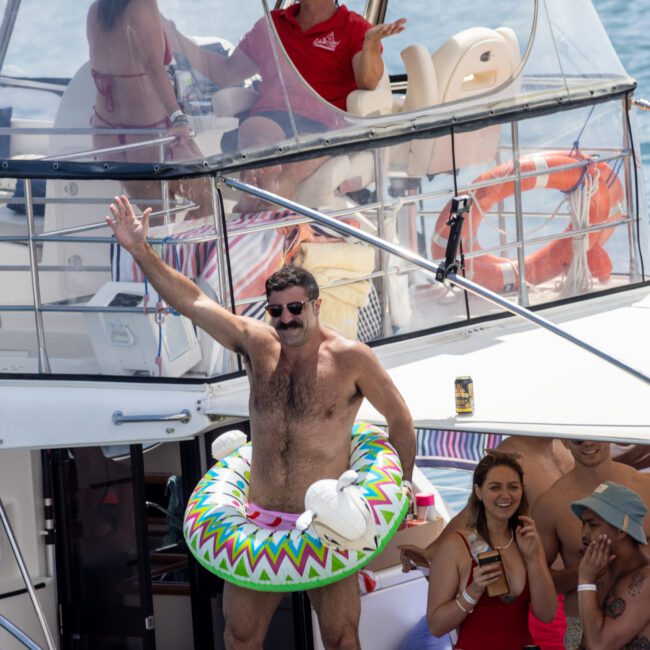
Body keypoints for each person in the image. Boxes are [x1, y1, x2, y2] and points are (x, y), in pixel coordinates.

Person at [105, 194, 416, 649]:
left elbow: (400, 422)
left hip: (325, 527)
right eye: (276, 310)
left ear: (315, 304)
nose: (286, 319)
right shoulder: (257, 345)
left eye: (295, 308)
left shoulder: (351, 359)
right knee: (241, 636)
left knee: (342, 638)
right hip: (259, 523)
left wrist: (402, 489)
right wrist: (139, 250)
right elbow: (192, 301)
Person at [165, 0, 405, 211]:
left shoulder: (355, 28)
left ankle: (257, 218)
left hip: (323, 127)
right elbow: (225, 72)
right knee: (258, 135)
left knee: (284, 174)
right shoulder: (273, 26)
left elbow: (368, 81)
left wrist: (371, 43)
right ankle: (254, 193)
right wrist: (177, 39)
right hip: (271, 117)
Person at [399, 436, 573, 650]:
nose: (505, 495)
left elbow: (546, 614)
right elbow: (436, 626)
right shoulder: (456, 546)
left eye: (513, 487)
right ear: (479, 492)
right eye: (495, 487)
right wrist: (473, 591)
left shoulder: (524, 541)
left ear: (522, 490)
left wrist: (535, 558)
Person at [87, 0, 209, 215]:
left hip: (107, 133)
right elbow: (154, 67)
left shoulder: (97, 9)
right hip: (147, 132)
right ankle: (192, 249)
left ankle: (168, 247)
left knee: (155, 214)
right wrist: (179, 118)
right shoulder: (143, 5)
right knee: (205, 201)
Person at [532, 440, 650, 650]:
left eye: (595, 435)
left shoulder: (645, 486)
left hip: (636, 617)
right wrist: (586, 571)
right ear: (566, 442)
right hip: (581, 625)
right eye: (578, 438)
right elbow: (540, 584)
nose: (587, 442)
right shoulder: (550, 503)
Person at [572, 481, 650, 649]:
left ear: (622, 530)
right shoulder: (601, 571)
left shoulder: (645, 580)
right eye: (583, 524)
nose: (584, 533)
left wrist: (585, 580)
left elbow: (599, 645)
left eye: (592, 525)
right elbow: (581, 639)